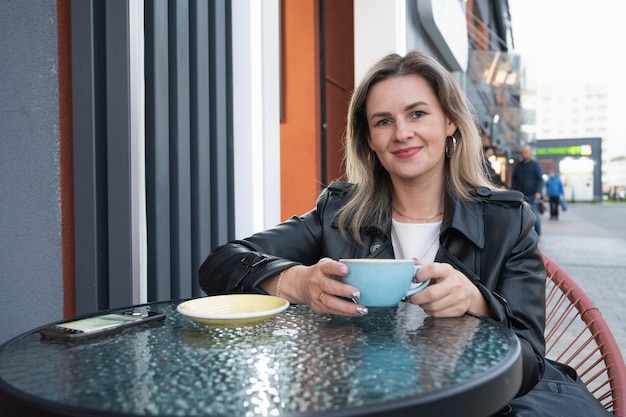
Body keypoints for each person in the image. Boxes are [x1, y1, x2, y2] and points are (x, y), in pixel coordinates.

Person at [199, 51, 613, 416]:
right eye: (384, 121)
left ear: (450, 121)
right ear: (370, 142)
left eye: (417, 113)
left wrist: (477, 301)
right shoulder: (337, 212)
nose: (401, 133)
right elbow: (220, 264)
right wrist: (297, 282)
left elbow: (529, 363)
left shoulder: (507, 221)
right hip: (366, 397)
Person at [511, 145, 544, 236]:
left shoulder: (535, 165)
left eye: (526, 152)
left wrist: (538, 192)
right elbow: (514, 179)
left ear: (530, 153)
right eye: (523, 152)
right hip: (520, 195)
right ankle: (523, 236)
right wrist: (513, 191)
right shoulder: (518, 165)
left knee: (535, 215)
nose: (524, 154)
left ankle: (538, 235)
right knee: (521, 216)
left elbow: (540, 179)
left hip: (532, 195)